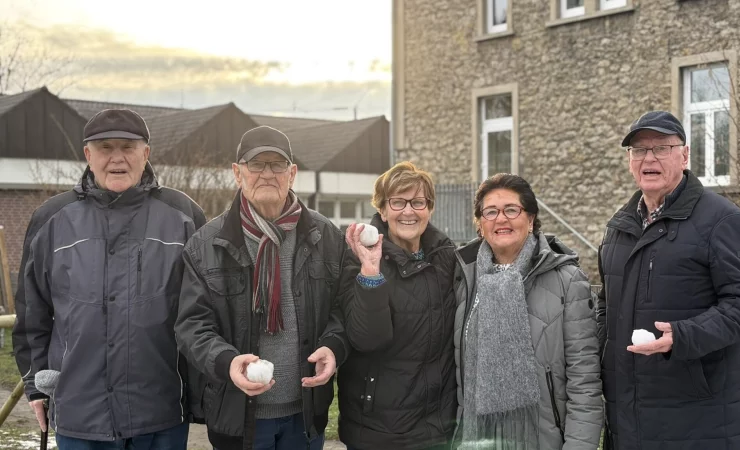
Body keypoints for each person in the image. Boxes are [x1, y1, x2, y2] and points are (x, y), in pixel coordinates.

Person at [12, 109, 206, 449]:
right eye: (105, 147)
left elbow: (203, 310)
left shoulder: (183, 216)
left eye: (128, 147)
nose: (117, 158)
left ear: (146, 153)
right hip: (79, 411)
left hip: (160, 411)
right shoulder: (52, 219)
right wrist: (34, 386)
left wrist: (202, 392)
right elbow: (33, 312)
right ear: (88, 155)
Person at [597, 111, 740, 449]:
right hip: (627, 419)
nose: (648, 158)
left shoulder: (722, 220)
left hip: (698, 422)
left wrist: (685, 335)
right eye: (638, 150)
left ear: (684, 155)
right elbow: (606, 302)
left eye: (661, 148)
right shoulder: (619, 227)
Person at [175, 125, 349, 450]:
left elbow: (342, 309)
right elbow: (191, 326)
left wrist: (334, 346)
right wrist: (227, 361)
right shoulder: (206, 245)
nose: (267, 173)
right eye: (256, 164)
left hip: (305, 416)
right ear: (237, 173)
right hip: (237, 417)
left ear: (292, 173)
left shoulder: (326, 237)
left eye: (277, 164)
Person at [453, 173, 603, 449]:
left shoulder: (567, 281)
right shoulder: (464, 279)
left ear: (531, 219)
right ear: (480, 223)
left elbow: (585, 384)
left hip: (543, 440)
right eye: (490, 212)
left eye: (512, 209)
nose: (501, 219)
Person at [337, 161, 458, 450]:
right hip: (381, 428)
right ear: (382, 209)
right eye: (398, 202)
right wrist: (370, 272)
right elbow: (367, 338)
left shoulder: (446, 257)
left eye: (418, 202)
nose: (408, 211)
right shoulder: (359, 259)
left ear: (429, 208)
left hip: (437, 426)